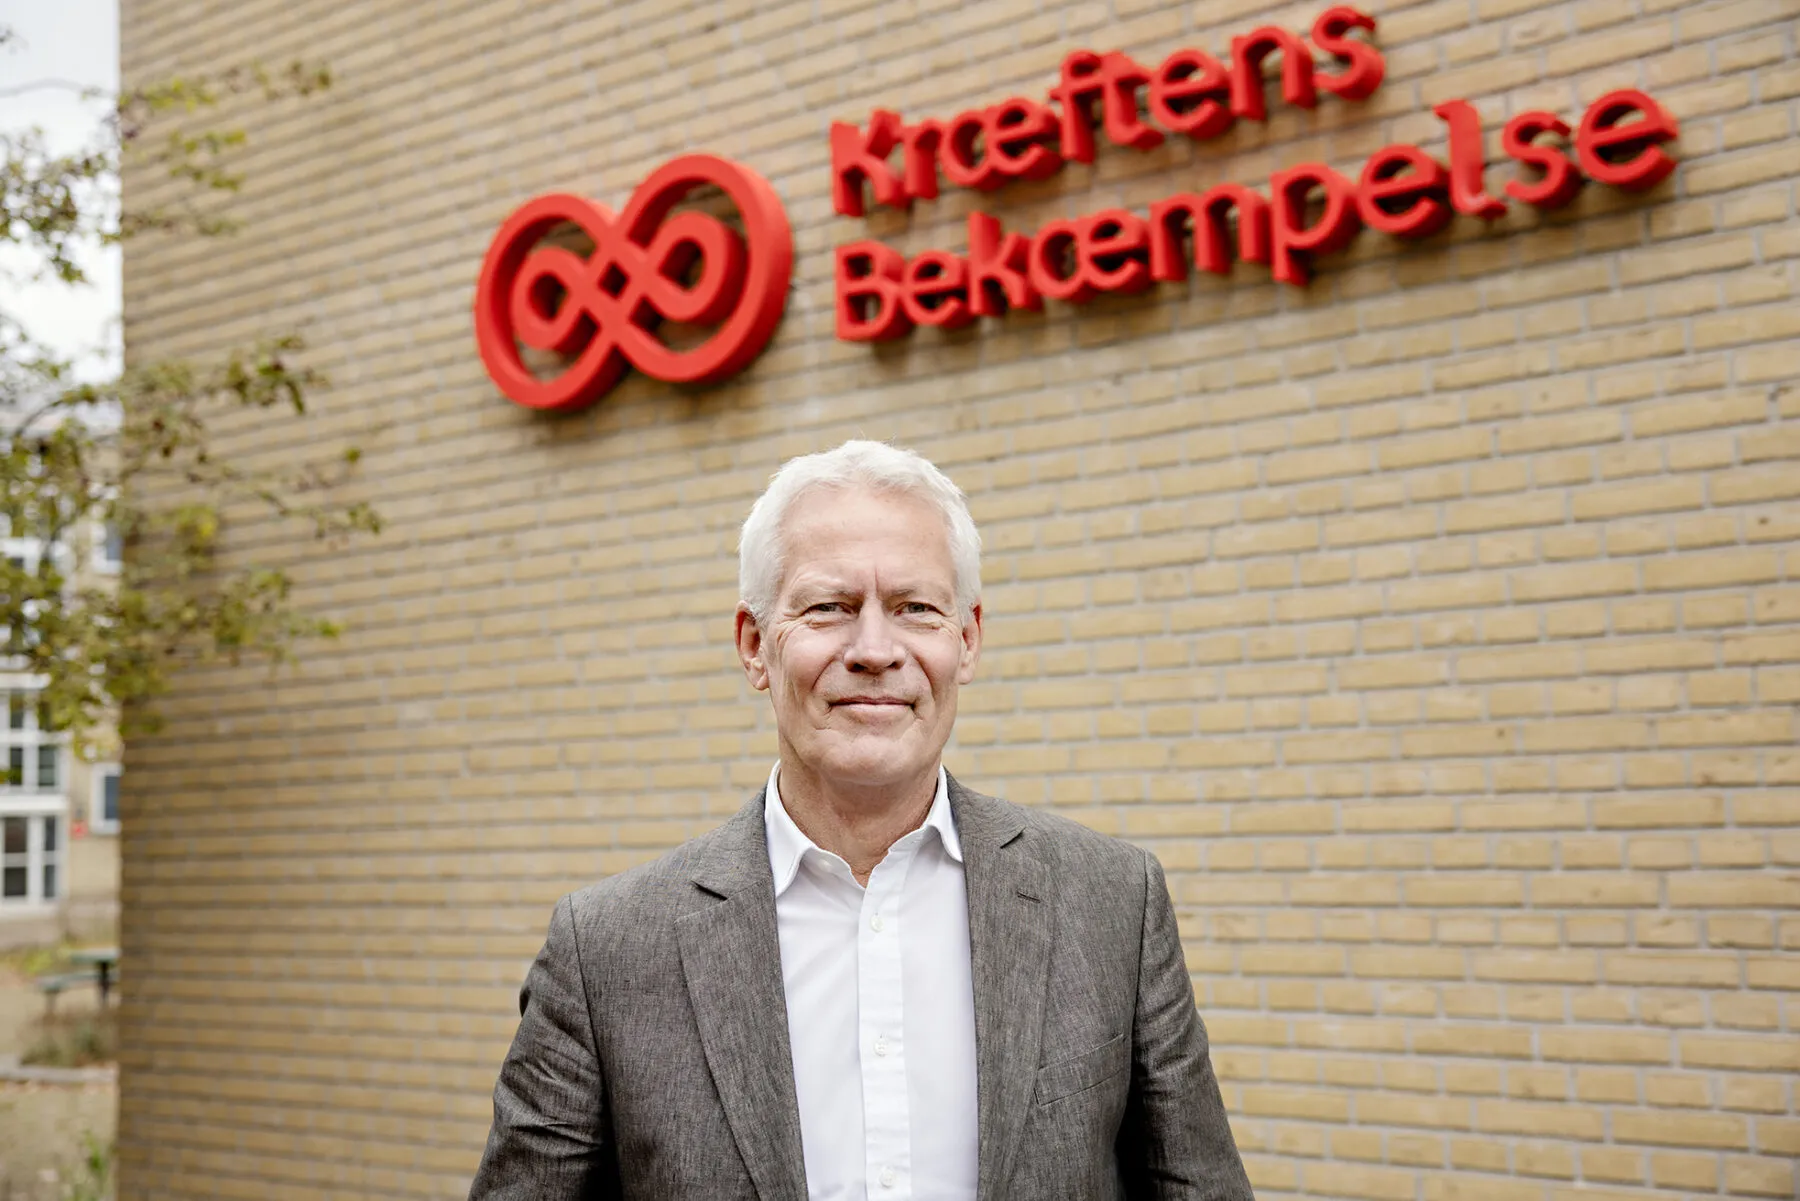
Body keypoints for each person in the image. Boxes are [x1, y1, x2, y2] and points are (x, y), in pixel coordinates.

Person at [467, 440, 1255, 1200]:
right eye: (828, 607)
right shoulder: (605, 951)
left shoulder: (1114, 904)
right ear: (754, 645)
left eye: (915, 607)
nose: (875, 648)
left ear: (967, 639)